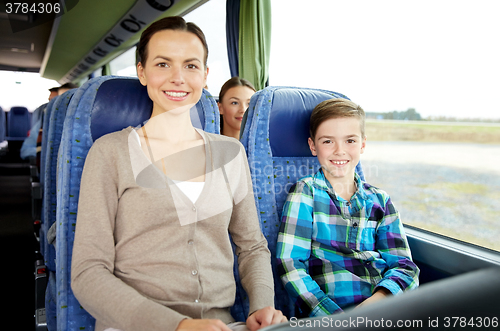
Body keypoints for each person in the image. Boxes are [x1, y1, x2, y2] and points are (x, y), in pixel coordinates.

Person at [71, 16, 286, 331]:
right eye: (162, 64)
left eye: (190, 65)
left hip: (221, 325)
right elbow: (88, 273)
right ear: (142, 72)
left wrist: (262, 305)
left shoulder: (231, 153)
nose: (178, 78)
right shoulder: (110, 153)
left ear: (205, 75)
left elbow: (251, 245)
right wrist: (179, 325)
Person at [276, 98, 419, 317]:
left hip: (384, 308)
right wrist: (337, 319)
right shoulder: (305, 193)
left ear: (362, 144)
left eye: (350, 141)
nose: (339, 151)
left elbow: (404, 266)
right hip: (330, 314)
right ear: (313, 146)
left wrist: (378, 301)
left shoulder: (380, 200)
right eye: (327, 142)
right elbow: (290, 265)